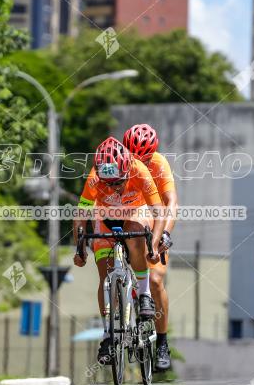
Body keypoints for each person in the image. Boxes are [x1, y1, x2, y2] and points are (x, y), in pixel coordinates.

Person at [73, 137, 164, 365]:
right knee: (105, 275)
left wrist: (153, 245)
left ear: (127, 168)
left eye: (119, 182)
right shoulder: (95, 179)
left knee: (136, 237)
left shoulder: (140, 170)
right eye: (109, 183)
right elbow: (81, 213)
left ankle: (144, 294)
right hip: (106, 217)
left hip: (136, 213)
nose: (115, 187)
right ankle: (107, 335)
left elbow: (159, 211)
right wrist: (80, 247)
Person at [122, 124, 177, 371]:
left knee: (155, 281)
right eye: (133, 157)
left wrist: (165, 233)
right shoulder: (120, 161)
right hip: (127, 214)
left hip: (154, 219)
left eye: (142, 157)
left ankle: (162, 343)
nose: (138, 163)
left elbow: (171, 202)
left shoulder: (159, 163)